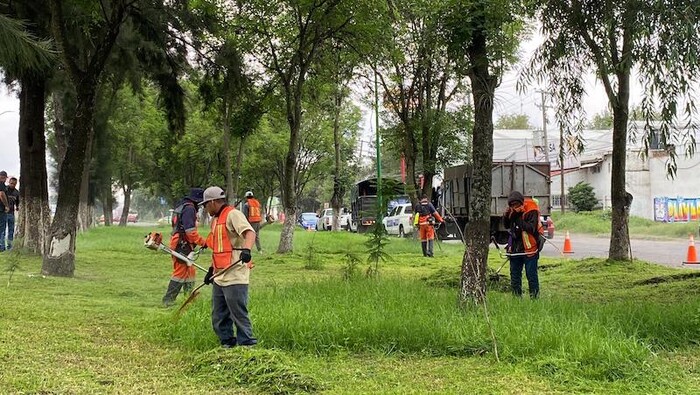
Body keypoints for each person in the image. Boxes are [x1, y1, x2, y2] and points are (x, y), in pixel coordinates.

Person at [201, 186, 257, 348]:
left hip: (235, 273)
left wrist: (246, 250)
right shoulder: (215, 220)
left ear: (212, 202)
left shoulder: (233, 214)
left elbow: (250, 233)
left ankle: (246, 343)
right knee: (218, 314)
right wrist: (211, 269)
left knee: (238, 312)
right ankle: (227, 342)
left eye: (206, 204)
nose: (205, 208)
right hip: (220, 274)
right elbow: (218, 247)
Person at [162, 188, 208, 307]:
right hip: (181, 243)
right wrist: (203, 242)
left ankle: (189, 298)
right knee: (180, 272)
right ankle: (168, 300)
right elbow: (190, 232)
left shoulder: (183, 206)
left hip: (182, 242)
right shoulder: (189, 209)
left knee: (190, 270)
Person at [503, 190, 542, 299]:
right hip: (515, 249)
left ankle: (534, 299)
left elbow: (531, 229)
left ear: (521, 203)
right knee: (515, 276)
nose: (514, 207)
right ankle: (516, 299)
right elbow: (506, 226)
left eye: (516, 204)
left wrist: (517, 217)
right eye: (512, 205)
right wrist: (506, 216)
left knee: (531, 276)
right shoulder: (511, 212)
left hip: (530, 249)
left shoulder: (531, 210)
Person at [4, 177, 19, 250]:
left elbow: (18, 204)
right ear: (9, 182)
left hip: (11, 214)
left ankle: (9, 247)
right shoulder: (4, 190)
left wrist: (18, 207)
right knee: (2, 230)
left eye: (14, 184)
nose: (12, 185)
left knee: (11, 231)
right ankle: (1, 246)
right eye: (11, 183)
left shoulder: (16, 192)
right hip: (3, 213)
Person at [0, 171, 10, 252]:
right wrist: (6, 205)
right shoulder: (1, 184)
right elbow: (2, 194)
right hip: (1, 209)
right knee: (2, 228)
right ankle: (2, 247)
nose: (4, 180)